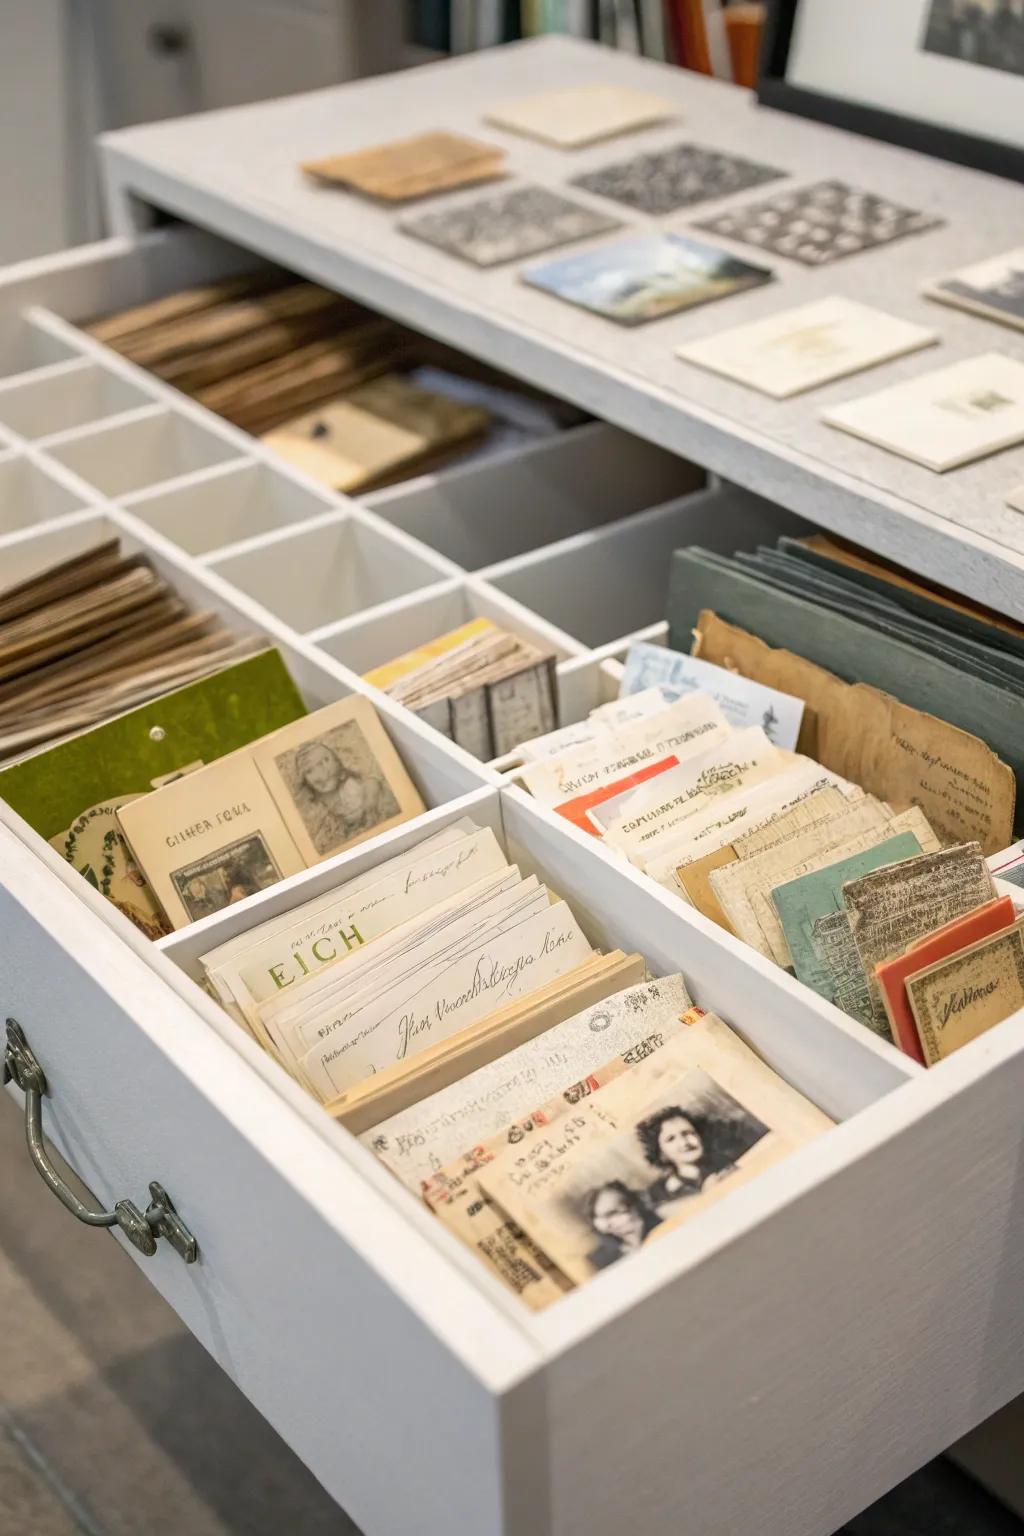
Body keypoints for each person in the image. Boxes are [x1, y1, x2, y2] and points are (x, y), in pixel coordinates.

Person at [291, 737, 395, 853]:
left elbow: (372, 781)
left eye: (325, 760)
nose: (322, 771)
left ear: (337, 760)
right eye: (309, 771)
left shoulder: (350, 784)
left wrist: (370, 800)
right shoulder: (319, 808)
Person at [637, 1105, 719, 1215]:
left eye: (688, 1133)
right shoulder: (662, 1192)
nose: (684, 1143)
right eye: (671, 1139)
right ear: (661, 1153)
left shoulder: (724, 1164)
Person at [584, 1180, 661, 1270]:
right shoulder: (601, 1259)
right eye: (612, 1213)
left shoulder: (660, 1222)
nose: (626, 1215)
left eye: (627, 1205)